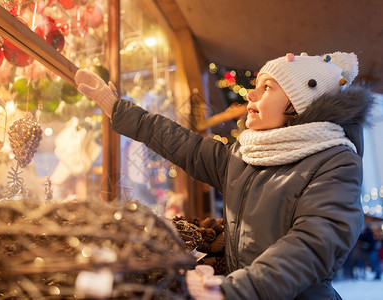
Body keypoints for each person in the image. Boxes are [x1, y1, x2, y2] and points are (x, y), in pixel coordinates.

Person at [74, 51, 375, 299]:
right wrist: (117, 109)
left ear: (299, 104)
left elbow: (312, 244)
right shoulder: (244, 156)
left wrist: (237, 290)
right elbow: (183, 145)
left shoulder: (335, 162)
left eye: (267, 87)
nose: (252, 93)